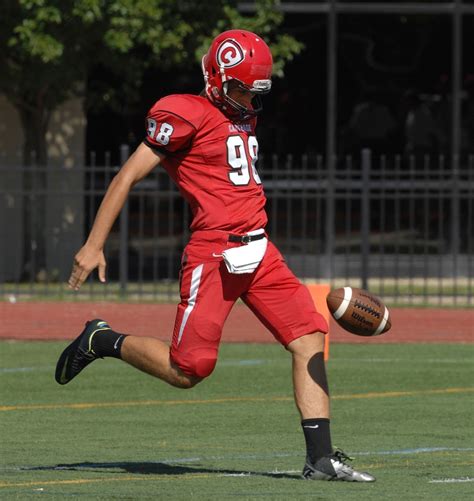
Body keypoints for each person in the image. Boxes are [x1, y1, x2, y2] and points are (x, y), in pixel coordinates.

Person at [55, 29, 375, 482]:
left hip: (260, 249)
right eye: (239, 87)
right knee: (189, 370)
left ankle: (320, 459)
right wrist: (93, 243)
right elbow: (126, 176)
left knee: (309, 337)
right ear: (216, 78)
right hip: (216, 254)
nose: (247, 97)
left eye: (253, 89)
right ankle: (102, 339)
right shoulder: (184, 113)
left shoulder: (240, 114)